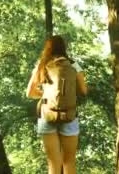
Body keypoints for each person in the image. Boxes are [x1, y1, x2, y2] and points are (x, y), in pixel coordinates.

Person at [26, 35, 88, 174]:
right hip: (69, 114)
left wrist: (45, 96)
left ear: (47, 48)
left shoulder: (42, 65)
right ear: (63, 47)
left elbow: (29, 92)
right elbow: (84, 90)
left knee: (53, 163)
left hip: (47, 114)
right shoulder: (73, 64)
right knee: (69, 161)